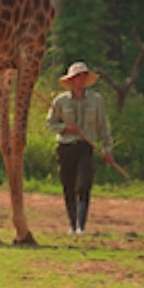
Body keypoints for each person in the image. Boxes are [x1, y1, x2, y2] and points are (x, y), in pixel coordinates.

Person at [46, 61, 116, 235]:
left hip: (86, 146)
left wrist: (107, 148)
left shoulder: (96, 100)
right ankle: (72, 225)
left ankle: (81, 227)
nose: (81, 79)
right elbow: (50, 123)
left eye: (84, 76)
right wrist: (66, 128)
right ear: (71, 80)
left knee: (83, 185)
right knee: (68, 186)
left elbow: (103, 127)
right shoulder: (60, 101)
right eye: (78, 76)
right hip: (65, 147)